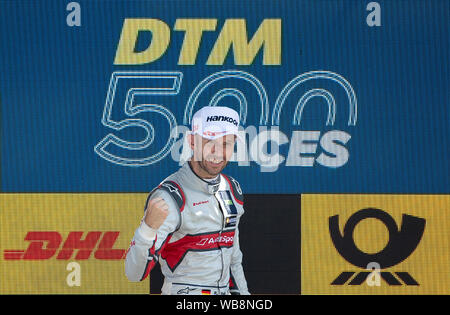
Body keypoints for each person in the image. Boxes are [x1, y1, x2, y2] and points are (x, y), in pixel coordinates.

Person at [125, 106, 250, 295]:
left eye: (226, 144)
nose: (217, 152)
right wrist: (146, 230)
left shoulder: (232, 188)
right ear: (192, 141)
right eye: (209, 142)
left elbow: (233, 257)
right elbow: (134, 274)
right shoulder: (170, 197)